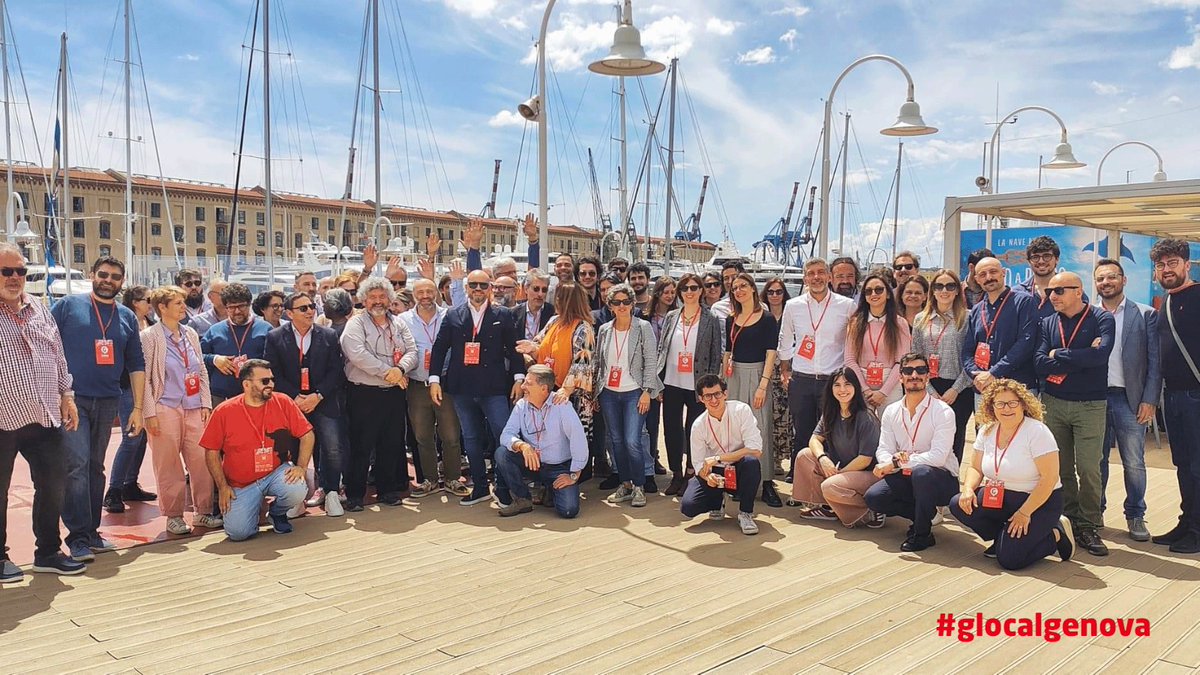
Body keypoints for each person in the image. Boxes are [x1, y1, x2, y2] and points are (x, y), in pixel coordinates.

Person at [0, 243, 86, 581]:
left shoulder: (38, 307)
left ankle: (48, 552)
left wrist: (67, 394)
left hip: (44, 413)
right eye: (7, 271)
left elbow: (57, 354)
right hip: (3, 417)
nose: (16, 277)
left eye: (21, 271)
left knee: (54, 483)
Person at [51, 256, 146, 562]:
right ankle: (78, 537)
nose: (108, 280)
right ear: (93, 275)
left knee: (95, 467)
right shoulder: (67, 306)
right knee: (76, 466)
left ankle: (91, 533)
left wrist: (138, 408)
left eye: (115, 276)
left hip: (108, 401)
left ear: (122, 281)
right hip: (72, 399)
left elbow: (136, 365)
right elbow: (46, 345)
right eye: (103, 274)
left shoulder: (127, 317)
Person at [950, 378, 1073, 569]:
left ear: (1023, 404)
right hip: (999, 497)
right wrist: (967, 489)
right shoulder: (987, 430)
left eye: (1012, 403)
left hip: (1037, 502)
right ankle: (1003, 538)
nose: (1006, 408)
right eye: (1000, 403)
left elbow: (1049, 479)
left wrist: (1024, 513)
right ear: (992, 406)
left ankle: (1054, 534)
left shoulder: (1037, 431)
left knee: (1010, 560)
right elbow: (975, 467)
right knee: (958, 503)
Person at [1034, 270, 1114, 557]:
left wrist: (1059, 355)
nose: (1051, 296)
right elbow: (1040, 362)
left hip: (1090, 404)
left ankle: (1089, 524)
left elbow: (1101, 355)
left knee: (1090, 467)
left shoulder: (1102, 318)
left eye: (1058, 291)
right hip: (1054, 402)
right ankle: (1067, 520)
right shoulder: (1047, 323)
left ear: (1078, 291)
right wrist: (1076, 357)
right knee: (1061, 467)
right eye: (1048, 292)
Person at [430, 269, 525, 506]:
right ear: (466, 288)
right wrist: (433, 380)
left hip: (493, 388)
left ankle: (504, 487)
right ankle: (480, 487)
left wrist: (518, 378)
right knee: (471, 438)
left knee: (503, 436)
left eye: (483, 285)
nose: (478, 290)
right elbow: (440, 348)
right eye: (474, 285)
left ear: (490, 288)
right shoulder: (453, 314)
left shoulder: (503, 314)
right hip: (462, 387)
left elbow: (514, 350)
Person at [200, 359, 313, 541]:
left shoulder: (283, 401)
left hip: (275, 472)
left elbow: (307, 434)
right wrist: (222, 487)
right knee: (238, 533)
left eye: (272, 379)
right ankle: (251, 513)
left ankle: (277, 513)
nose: (271, 385)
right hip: (240, 483)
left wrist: (301, 466)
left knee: (297, 488)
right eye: (265, 381)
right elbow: (211, 451)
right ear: (246, 384)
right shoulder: (224, 411)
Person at [140, 285, 221, 535]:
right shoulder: (149, 337)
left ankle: (203, 511)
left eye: (183, 302)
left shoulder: (190, 334)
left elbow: (201, 370)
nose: (183, 307)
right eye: (177, 303)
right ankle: (173, 515)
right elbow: (144, 378)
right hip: (165, 407)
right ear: (162, 308)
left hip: (194, 406)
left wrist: (206, 402)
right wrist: (149, 413)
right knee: (168, 464)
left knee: (201, 460)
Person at [864, 353, 960, 552]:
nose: (914, 375)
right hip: (906, 475)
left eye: (920, 370)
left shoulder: (943, 412)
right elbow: (884, 449)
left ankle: (922, 534)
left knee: (922, 472)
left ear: (928, 376)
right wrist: (887, 462)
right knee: (874, 497)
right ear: (900, 377)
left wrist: (898, 463)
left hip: (940, 480)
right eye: (908, 371)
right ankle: (924, 514)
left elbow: (938, 457)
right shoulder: (891, 411)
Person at [1094, 258, 1160, 542]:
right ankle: (1094, 513)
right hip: (1094, 399)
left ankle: (1135, 514)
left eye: (1111, 277)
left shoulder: (1144, 314)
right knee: (1095, 461)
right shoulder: (1087, 314)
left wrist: (1149, 399)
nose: (1106, 283)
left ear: (1123, 279)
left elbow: (1155, 363)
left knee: (1134, 461)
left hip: (1129, 399)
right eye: (1100, 279)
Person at [264, 292, 347, 516]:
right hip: (292, 405)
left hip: (324, 401)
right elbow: (273, 372)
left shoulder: (328, 335)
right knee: (292, 450)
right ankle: (296, 497)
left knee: (332, 448)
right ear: (289, 313)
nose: (310, 311)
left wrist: (317, 395)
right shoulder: (275, 336)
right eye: (303, 308)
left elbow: (336, 370)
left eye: (311, 306)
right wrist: (295, 398)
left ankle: (331, 492)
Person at [341, 277, 418, 510]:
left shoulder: (398, 324)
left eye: (382, 297)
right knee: (361, 445)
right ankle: (355, 494)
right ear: (364, 300)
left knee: (391, 443)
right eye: (372, 297)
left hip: (393, 393)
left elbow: (412, 350)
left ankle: (388, 490)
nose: (377, 301)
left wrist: (401, 369)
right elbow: (357, 354)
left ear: (389, 299)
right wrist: (389, 372)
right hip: (364, 393)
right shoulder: (355, 324)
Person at [778, 258, 856, 482]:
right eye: (811, 273)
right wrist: (785, 369)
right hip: (801, 378)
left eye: (821, 272)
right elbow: (785, 338)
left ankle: (829, 478)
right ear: (805, 279)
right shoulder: (793, 306)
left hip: (832, 379)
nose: (816, 277)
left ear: (830, 277)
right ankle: (799, 476)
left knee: (832, 432)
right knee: (801, 431)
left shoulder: (846, 305)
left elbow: (853, 342)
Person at [400, 279, 470, 498]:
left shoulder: (449, 315)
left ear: (437, 293)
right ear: (413, 295)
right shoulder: (402, 320)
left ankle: (452, 478)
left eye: (429, 291)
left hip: (445, 383)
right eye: (420, 292)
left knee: (451, 434)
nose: (425, 295)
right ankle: (429, 479)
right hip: (417, 384)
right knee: (422, 435)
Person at [593, 283, 661, 507]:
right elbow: (599, 363)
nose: (621, 306)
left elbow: (651, 361)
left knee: (633, 441)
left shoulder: (642, 327)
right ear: (610, 306)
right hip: (609, 393)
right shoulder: (604, 330)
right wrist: (595, 393)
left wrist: (647, 392)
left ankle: (639, 485)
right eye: (616, 302)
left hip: (634, 391)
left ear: (632, 303)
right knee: (616, 441)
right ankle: (626, 484)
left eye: (626, 302)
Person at [1152, 238, 1200, 554]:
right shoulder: (1166, 303)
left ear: (1187, 264)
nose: (1167, 270)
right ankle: (1189, 522)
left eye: (1172, 263)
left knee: (1198, 465)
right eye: (1160, 265)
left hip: (1196, 395)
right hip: (1174, 397)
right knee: (1182, 463)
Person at [656, 273, 723, 496]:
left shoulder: (710, 318)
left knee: (694, 430)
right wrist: (657, 379)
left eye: (694, 287)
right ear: (680, 292)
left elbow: (716, 354)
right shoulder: (672, 316)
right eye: (685, 288)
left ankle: (691, 472)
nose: (690, 292)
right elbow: (662, 349)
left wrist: (710, 386)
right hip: (672, 382)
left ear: (701, 291)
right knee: (672, 430)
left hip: (697, 384)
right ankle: (676, 472)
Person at [790, 368, 883, 525]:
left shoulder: (866, 417)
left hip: (868, 475)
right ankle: (829, 508)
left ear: (856, 387)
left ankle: (871, 509)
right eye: (837, 385)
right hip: (841, 470)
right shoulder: (831, 412)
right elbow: (814, 439)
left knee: (831, 485)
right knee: (805, 455)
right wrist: (823, 458)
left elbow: (865, 459)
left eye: (847, 384)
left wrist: (837, 474)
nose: (842, 390)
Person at [493, 366, 588, 518]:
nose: (523, 386)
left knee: (569, 510)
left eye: (528, 383)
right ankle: (523, 499)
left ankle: (550, 490)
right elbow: (506, 435)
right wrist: (522, 446)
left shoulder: (561, 406)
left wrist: (574, 475)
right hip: (533, 464)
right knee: (502, 453)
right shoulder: (521, 405)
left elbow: (579, 440)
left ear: (544, 388)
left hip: (559, 467)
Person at [723, 273, 781, 507]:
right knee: (736, 429)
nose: (739, 291)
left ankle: (766, 482)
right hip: (734, 374)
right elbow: (728, 351)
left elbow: (771, 352)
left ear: (753, 289)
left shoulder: (767, 318)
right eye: (735, 288)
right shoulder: (731, 319)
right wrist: (722, 382)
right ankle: (740, 480)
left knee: (760, 426)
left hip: (758, 374)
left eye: (743, 286)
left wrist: (763, 384)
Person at [680, 374, 762, 535]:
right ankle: (717, 501)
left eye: (717, 394)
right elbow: (698, 464)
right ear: (701, 399)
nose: (714, 400)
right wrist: (707, 477)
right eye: (708, 396)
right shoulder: (698, 425)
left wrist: (718, 458)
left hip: (738, 467)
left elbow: (756, 450)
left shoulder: (741, 410)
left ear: (725, 394)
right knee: (688, 506)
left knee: (751, 462)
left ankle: (745, 513)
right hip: (715, 471)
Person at [103, 285, 158, 514]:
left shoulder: (150, 324)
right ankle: (113, 490)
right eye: (147, 299)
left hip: (147, 385)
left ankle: (129, 484)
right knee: (131, 436)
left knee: (141, 436)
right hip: (127, 385)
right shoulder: (124, 323)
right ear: (135, 302)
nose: (150, 303)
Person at [911, 269, 973, 462]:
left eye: (950, 286)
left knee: (955, 441)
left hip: (959, 389)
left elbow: (972, 358)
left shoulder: (968, 318)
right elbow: (916, 356)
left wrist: (956, 389)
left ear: (957, 291)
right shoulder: (921, 319)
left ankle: (952, 485)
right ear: (933, 291)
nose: (944, 290)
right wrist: (928, 389)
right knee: (928, 441)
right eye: (939, 286)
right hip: (930, 387)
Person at [961, 257, 1039, 394]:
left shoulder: (1024, 302)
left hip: (1017, 388)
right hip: (984, 389)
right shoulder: (977, 310)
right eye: (983, 274)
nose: (989, 277)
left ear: (1003, 272)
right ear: (977, 279)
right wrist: (977, 375)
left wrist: (993, 373)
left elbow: (1025, 344)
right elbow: (967, 350)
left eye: (993, 272)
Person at [845, 271, 911, 411]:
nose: (873, 294)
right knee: (864, 430)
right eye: (868, 291)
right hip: (862, 381)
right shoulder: (855, 323)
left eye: (879, 290)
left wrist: (883, 392)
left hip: (891, 384)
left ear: (887, 294)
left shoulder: (900, 323)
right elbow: (850, 360)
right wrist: (865, 390)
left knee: (890, 430)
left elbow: (902, 361)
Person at [201, 282, 271, 405]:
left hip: (256, 394)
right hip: (220, 396)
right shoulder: (214, 330)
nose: (237, 311)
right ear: (226, 307)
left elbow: (275, 362)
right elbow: (197, 356)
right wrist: (214, 359)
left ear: (249, 304)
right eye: (232, 307)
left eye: (241, 306)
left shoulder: (266, 329)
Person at [761, 277, 792, 477]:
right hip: (766, 371)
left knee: (784, 417)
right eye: (770, 292)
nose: (774, 295)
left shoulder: (791, 313)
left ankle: (781, 459)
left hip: (787, 370)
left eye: (778, 291)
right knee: (767, 416)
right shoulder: (761, 315)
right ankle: (770, 458)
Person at [1020, 235, 1061, 321]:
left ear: (1057, 259)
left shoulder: (1070, 290)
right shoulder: (1017, 293)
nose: (1041, 261)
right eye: (1035, 257)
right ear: (1028, 262)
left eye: (1046, 256)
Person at [514, 269, 554, 342]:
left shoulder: (553, 314)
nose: (540, 294)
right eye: (536, 289)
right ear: (526, 289)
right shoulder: (513, 313)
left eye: (544, 290)